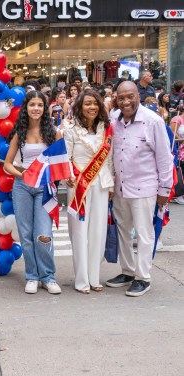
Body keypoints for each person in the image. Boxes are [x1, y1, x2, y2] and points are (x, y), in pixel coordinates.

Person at [105, 81, 173, 297]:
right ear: (116, 98)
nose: (126, 102)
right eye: (121, 98)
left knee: (144, 233)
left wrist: (164, 190)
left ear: (138, 96)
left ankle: (143, 277)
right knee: (123, 230)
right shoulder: (113, 119)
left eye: (130, 97)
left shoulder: (152, 122)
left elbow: (164, 158)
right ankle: (127, 271)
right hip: (120, 188)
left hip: (145, 187)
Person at [3, 90, 63, 295]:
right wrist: (22, 174)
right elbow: (7, 165)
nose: (36, 108)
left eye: (39, 105)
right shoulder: (19, 133)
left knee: (43, 234)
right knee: (26, 234)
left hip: (45, 188)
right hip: (22, 187)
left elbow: (60, 162)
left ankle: (48, 276)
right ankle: (32, 276)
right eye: (32, 105)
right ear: (26, 108)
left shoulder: (54, 132)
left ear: (44, 108)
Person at [63, 89, 114, 294]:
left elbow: (108, 159)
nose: (91, 107)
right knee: (79, 233)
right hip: (78, 187)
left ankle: (94, 278)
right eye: (87, 103)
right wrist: (68, 175)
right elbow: (65, 158)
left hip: (101, 184)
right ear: (80, 107)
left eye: (95, 103)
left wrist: (111, 184)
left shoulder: (105, 129)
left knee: (98, 232)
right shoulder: (71, 129)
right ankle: (82, 280)